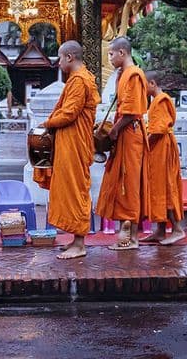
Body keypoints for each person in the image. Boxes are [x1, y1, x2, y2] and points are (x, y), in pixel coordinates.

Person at [38, 40, 100, 260]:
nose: (58, 62)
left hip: (75, 144)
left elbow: (69, 114)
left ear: (69, 58)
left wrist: (47, 123)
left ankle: (80, 243)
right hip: (71, 143)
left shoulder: (79, 80)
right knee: (70, 188)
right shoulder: (78, 79)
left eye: (60, 57)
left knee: (76, 190)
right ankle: (75, 239)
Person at [95, 36, 150, 251]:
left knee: (130, 183)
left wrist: (115, 130)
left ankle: (133, 238)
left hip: (130, 134)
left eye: (111, 54)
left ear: (122, 53)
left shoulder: (134, 75)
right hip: (124, 134)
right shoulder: (123, 75)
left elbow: (134, 111)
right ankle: (125, 230)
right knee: (119, 182)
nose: (109, 58)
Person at [142, 71, 185, 246]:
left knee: (166, 187)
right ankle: (160, 230)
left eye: (144, 85)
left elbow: (158, 131)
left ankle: (177, 229)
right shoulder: (156, 101)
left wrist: (144, 145)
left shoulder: (161, 100)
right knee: (157, 188)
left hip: (162, 148)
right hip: (157, 150)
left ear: (152, 83)